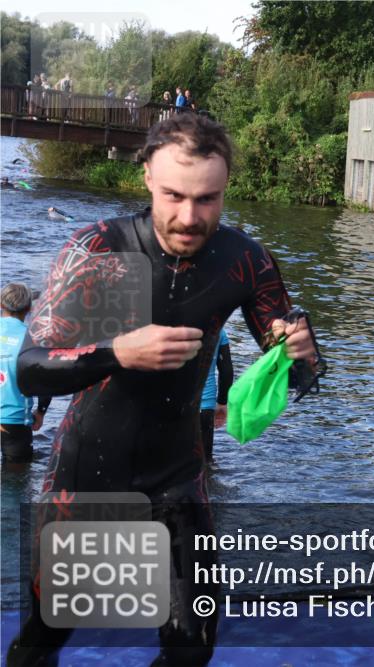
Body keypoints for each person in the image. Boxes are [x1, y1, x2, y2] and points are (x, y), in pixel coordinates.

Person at [6, 112, 318, 666]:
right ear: (147, 175)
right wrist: (117, 353)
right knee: (47, 634)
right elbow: (29, 368)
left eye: (207, 199)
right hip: (87, 477)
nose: (189, 217)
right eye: (174, 195)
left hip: (177, 477)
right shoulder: (100, 249)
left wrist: (302, 354)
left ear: (225, 188)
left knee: (191, 647)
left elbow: (298, 374)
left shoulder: (244, 260)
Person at [1, 284, 51, 467]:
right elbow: (45, 381)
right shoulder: (33, 339)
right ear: (29, 308)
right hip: (14, 421)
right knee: (16, 477)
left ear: (1, 304)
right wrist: (41, 411)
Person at [199, 327, 232, 460]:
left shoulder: (168, 326)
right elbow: (227, 371)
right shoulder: (219, 330)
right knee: (205, 461)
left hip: (173, 406)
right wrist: (222, 403)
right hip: (205, 407)